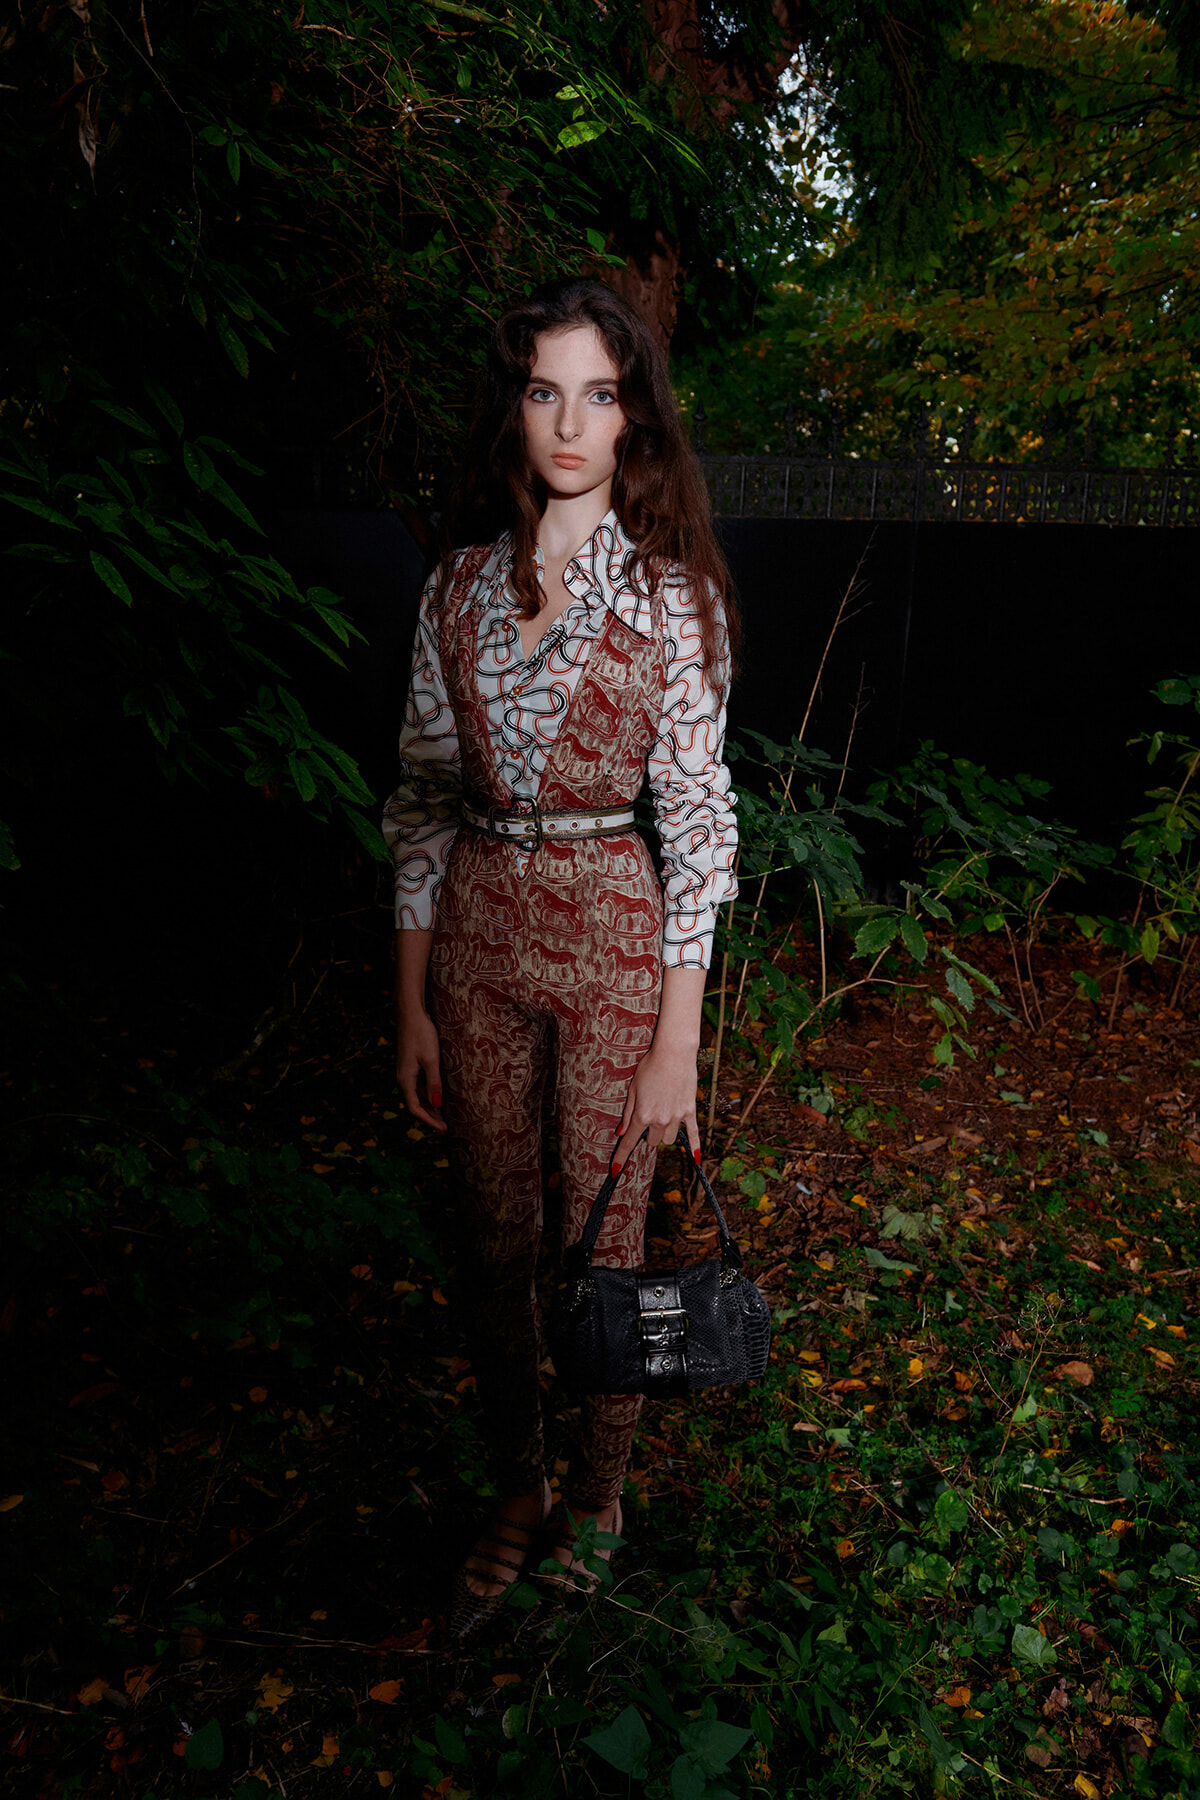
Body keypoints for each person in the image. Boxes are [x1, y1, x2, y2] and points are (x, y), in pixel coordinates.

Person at [383, 277, 739, 1640]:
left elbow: (699, 822)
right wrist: (409, 1004)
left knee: (605, 1245)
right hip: (475, 933)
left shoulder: (672, 597)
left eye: (600, 393)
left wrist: (677, 1040)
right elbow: (421, 801)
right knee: (492, 1235)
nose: (572, 423)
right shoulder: (457, 588)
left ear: (635, 415)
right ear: (516, 410)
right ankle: (521, 1482)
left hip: (611, 935)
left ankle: (600, 1496)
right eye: (545, 392)